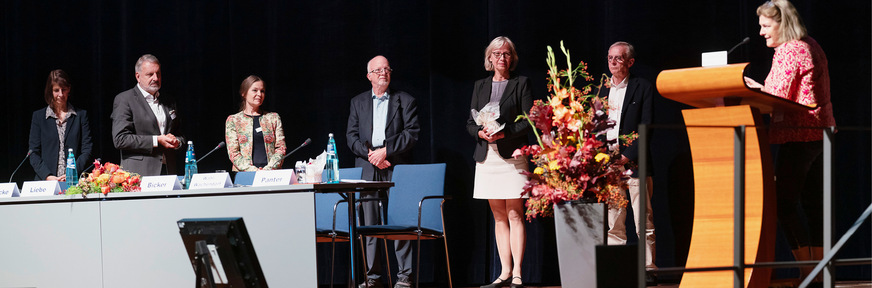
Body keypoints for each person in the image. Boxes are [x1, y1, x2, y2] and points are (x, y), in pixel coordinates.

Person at [744, 0, 835, 283]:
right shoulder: (810, 44)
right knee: (813, 205)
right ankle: (819, 275)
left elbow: (778, 96)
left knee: (784, 203)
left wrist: (751, 89)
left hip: (800, 134)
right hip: (818, 133)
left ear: (782, 24)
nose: (761, 32)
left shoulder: (790, 49)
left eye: (766, 26)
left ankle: (809, 273)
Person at [346, 55, 420, 288]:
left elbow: (412, 134)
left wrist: (386, 152)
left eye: (387, 69)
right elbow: (351, 136)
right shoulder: (357, 102)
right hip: (369, 167)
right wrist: (372, 155)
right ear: (369, 76)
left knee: (400, 221)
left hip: (395, 165)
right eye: (378, 70)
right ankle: (373, 277)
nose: (383, 73)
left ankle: (404, 276)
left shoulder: (405, 100)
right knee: (369, 223)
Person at [466, 36, 532, 288]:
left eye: (506, 53)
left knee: (515, 214)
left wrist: (506, 133)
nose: (501, 57)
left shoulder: (521, 83)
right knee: (498, 216)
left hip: (512, 155)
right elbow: (470, 123)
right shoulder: (480, 85)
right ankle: (504, 272)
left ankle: (518, 274)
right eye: (497, 53)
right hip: (487, 157)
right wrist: (480, 133)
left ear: (511, 57)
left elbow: (529, 120)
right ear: (489, 58)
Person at [601, 41, 657, 283]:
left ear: (630, 62)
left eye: (619, 58)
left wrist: (626, 156)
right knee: (614, 221)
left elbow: (647, 126)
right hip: (609, 165)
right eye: (610, 58)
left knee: (643, 219)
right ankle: (617, 268)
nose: (613, 62)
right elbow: (595, 127)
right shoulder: (602, 90)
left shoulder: (642, 87)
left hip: (635, 164)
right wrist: (604, 158)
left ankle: (649, 268)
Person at [111, 54, 183, 176]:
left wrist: (177, 142)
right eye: (150, 74)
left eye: (158, 74)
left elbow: (180, 134)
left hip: (168, 172)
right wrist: (156, 140)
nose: (156, 78)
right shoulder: (125, 99)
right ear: (138, 76)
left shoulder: (169, 100)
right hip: (139, 174)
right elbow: (120, 139)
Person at [28, 69, 93, 181]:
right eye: (56, 90)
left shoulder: (80, 115)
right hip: (46, 182)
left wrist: (72, 172)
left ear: (69, 89)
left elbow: (87, 150)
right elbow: (33, 153)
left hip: (74, 180)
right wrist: (47, 176)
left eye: (64, 90)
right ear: (50, 91)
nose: (61, 94)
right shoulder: (39, 117)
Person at [225, 75, 286, 171]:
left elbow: (281, 148)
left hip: (271, 174)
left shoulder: (273, 118)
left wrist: (268, 169)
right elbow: (233, 152)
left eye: (262, 91)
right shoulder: (233, 120)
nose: (259, 94)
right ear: (243, 93)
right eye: (255, 90)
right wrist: (254, 171)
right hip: (245, 174)